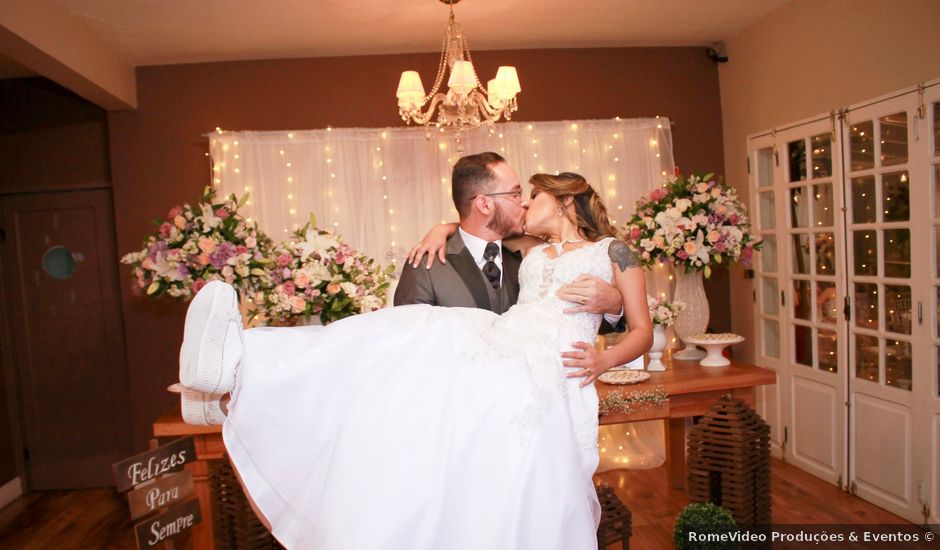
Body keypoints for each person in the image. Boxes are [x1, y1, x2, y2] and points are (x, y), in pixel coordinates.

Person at [178, 172, 652, 550]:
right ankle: (239, 368)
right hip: (509, 342)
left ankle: (227, 392)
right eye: (520, 196)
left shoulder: (614, 250)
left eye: (533, 196)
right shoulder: (528, 249)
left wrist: (604, 356)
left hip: (553, 365)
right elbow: (474, 229)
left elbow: (642, 330)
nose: (525, 205)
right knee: (409, 329)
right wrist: (443, 227)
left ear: (566, 200)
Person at [394, 152, 624, 325]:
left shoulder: (534, 257)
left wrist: (614, 307)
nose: (524, 202)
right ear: (484, 204)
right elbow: (410, 343)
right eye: (515, 194)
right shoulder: (426, 266)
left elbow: (572, 322)